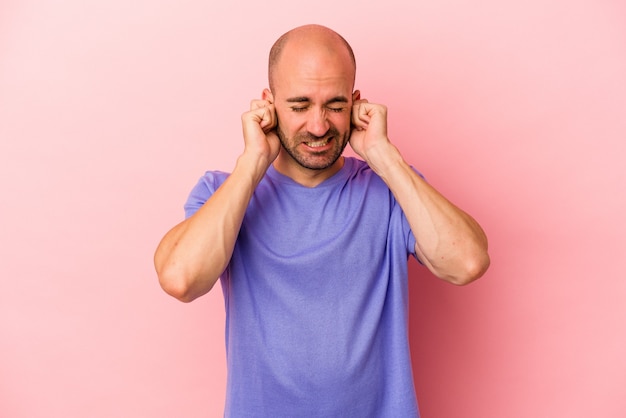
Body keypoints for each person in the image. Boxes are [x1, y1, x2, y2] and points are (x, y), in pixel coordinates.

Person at [154, 24, 490, 417]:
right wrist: (251, 165)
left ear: (356, 103)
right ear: (268, 103)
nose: (318, 126)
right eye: (299, 106)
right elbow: (181, 279)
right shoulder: (224, 192)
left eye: (334, 105)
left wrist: (384, 156)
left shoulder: (391, 189)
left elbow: (467, 263)